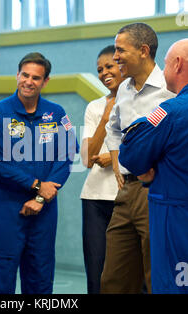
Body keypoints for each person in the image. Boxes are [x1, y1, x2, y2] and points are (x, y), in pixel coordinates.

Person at [118, 38, 188, 294]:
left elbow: (130, 153)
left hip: (180, 223)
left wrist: (146, 168)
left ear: (178, 64)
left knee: (175, 289)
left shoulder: (173, 110)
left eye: (167, 63)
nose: (165, 69)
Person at [0, 52, 77, 294]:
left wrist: (41, 196)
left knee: (40, 276)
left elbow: (66, 155)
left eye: (36, 77)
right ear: (17, 75)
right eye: (25, 75)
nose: (29, 81)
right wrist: (35, 185)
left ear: (45, 82)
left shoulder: (56, 113)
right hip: (5, 210)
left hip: (43, 210)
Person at [100, 23, 176, 294]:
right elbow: (114, 128)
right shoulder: (124, 89)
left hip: (158, 192)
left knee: (157, 277)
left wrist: (169, 170)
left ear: (143, 51)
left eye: (121, 50)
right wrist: (116, 156)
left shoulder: (173, 85)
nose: (115, 56)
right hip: (126, 192)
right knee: (113, 280)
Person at [80, 45, 124, 294]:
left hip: (127, 197)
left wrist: (115, 157)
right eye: (100, 69)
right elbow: (87, 158)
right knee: (96, 272)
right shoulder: (94, 107)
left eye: (110, 66)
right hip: (95, 199)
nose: (104, 72)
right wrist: (106, 116)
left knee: (132, 274)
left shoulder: (145, 101)